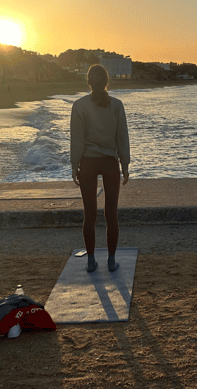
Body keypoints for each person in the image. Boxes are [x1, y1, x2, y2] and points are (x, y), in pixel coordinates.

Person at [70, 64, 130, 273]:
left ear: (88, 82)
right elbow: (122, 137)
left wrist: (74, 164)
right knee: (111, 214)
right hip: (110, 162)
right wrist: (125, 164)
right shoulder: (116, 105)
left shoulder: (79, 105)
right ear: (107, 82)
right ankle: (112, 261)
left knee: (90, 214)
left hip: (87, 162)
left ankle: (91, 261)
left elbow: (77, 139)